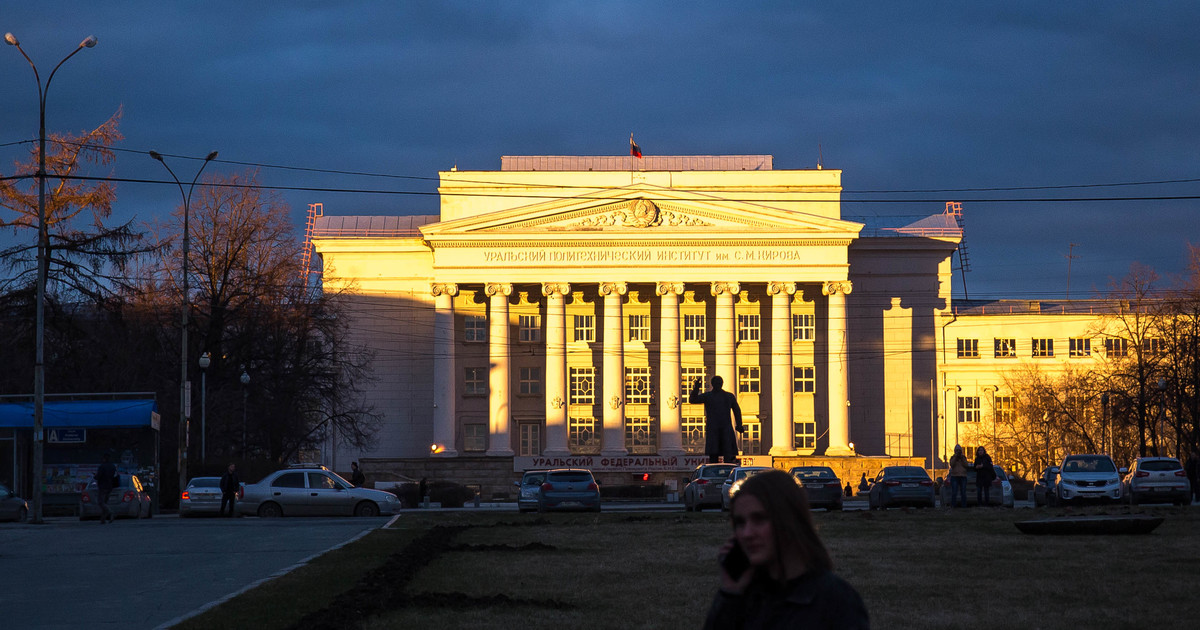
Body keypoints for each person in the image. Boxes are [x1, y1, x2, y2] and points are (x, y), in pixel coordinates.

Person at [704, 469, 869, 629]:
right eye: (740, 522)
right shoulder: (741, 599)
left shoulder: (836, 602)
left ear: (789, 520)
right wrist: (729, 594)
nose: (746, 533)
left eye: (759, 519)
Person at [689, 376, 744, 464]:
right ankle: (719, 471)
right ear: (713, 384)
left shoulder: (726, 396)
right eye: (717, 383)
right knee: (716, 455)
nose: (718, 385)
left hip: (721, 428)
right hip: (717, 429)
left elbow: (737, 410)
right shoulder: (710, 396)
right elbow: (692, 400)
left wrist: (739, 425)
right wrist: (696, 388)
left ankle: (726, 471)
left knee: (726, 454)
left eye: (719, 383)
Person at [94, 452, 118, 524]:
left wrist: (95, 476)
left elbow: (98, 477)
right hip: (110, 486)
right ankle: (103, 519)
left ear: (104, 459)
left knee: (101, 502)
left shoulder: (102, 467)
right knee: (105, 502)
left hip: (103, 486)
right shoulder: (113, 466)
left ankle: (110, 512)